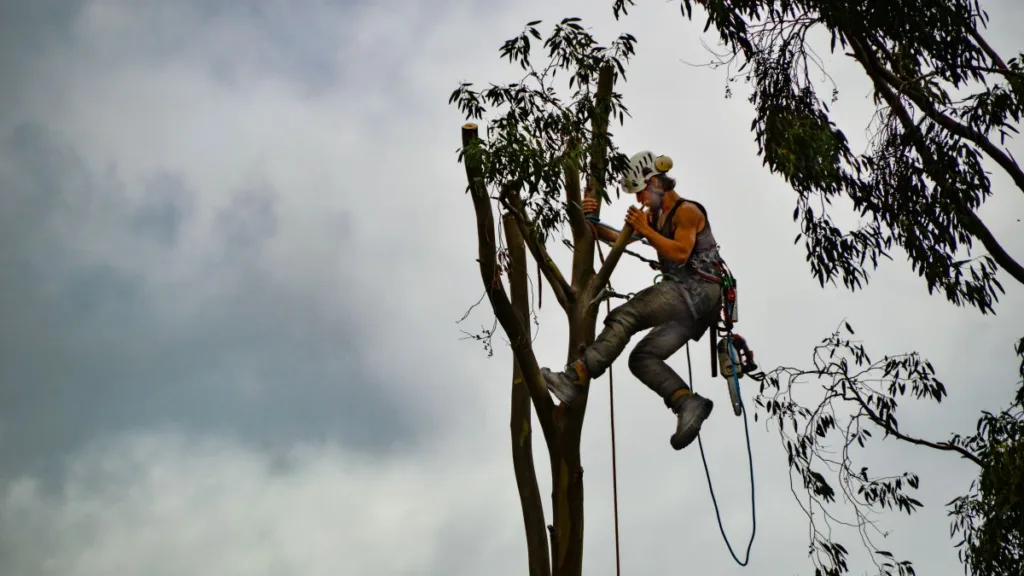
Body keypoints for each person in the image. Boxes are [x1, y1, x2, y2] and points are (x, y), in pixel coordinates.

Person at [540, 150, 726, 450]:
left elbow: (681, 252)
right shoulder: (655, 218)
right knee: (641, 358)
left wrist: (645, 229)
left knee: (627, 315)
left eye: (641, 191)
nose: (640, 199)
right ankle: (686, 402)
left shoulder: (687, 212)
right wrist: (589, 220)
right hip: (691, 307)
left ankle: (575, 377)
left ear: (655, 183)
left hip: (698, 290)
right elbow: (619, 237)